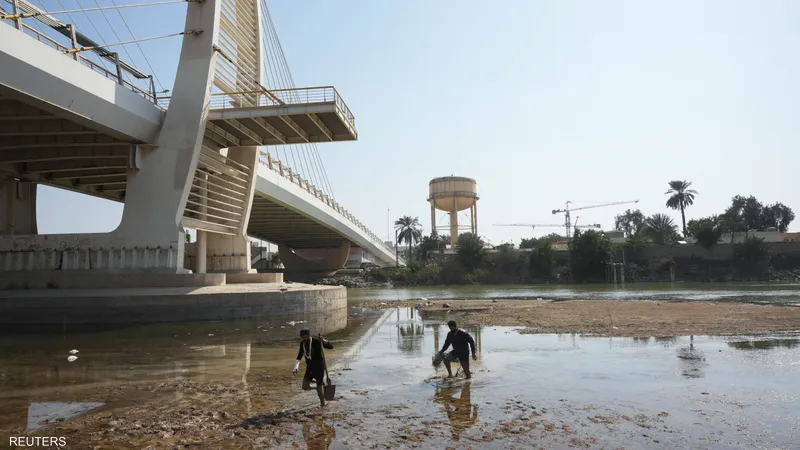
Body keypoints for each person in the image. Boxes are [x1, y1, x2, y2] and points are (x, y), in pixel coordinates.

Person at [292, 328, 334, 406]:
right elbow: (299, 356)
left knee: (319, 389)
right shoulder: (302, 344)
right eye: (303, 337)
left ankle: (323, 404)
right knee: (305, 386)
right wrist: (295, 367)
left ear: (309, 335)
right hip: (310, 368)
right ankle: (318, 388)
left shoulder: (317, 341)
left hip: (319, 367)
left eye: (306, 336)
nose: (305, 338)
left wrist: (323, 340)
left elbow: (331, 347)